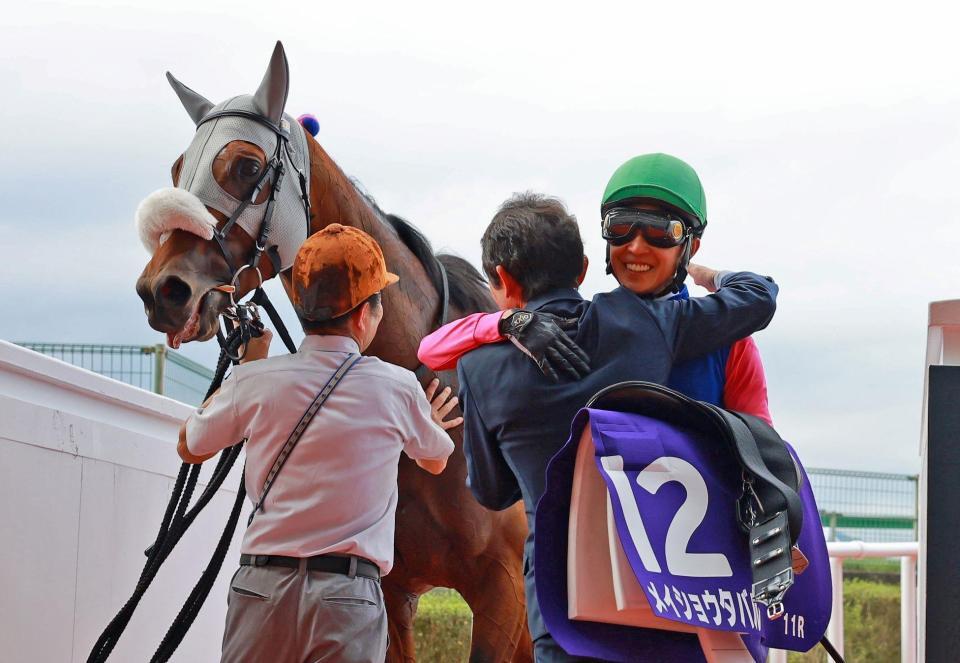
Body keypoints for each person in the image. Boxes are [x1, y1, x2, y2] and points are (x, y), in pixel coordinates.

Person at [416, 192, 778, 661]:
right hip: (663, 591)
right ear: (584, 268)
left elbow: (492, 492)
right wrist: (699, 271)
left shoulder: (481, 369)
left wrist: (505, 324)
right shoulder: (644, 321)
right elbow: (758, 296)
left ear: (502, 279)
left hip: (563, 607)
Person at [178, 223, 457, 663]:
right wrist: (429, 420)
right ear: (365, 314)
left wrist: (246, 369)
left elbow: (190, 446)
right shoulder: (397, 388)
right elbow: (437, 460)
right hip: (346, 597)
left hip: (261, 590)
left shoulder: (257, 380)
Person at [418, 154, 772, 424]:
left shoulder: (731, 344)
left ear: (691, 247)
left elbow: (763, 450)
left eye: (660, 230)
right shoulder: (578, 330)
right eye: (621, 227)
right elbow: (431, 350)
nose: (635, 246)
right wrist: (510, 321)